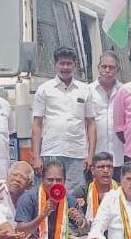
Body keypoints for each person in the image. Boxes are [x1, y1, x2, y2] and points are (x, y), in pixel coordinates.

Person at [32, 47, 94, 196]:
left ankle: (71, 220)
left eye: (69, 64)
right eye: (62, 63)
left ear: (75, 65)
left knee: (75, 195)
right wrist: (35, 156)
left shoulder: (84, 90)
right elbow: (37, 124)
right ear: (55, 65)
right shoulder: (44, 89)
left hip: (77, 154)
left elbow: (91, 124)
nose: (65, 67)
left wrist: (90, 155)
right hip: (51, 151)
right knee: (48, 194)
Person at [13, 160, 92, 239]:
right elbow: (21, 230)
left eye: (59, 180)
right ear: (42, 180)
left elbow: (85, 231)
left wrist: (80, 221)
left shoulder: (70, 200)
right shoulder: (28, 198)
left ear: (64, 181)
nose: (55, 184)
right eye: (50, 180)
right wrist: (43, 215)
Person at [88, 52, 125, 178]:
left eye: (111, 67)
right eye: (104, 67)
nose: (107, 70)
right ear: (98, 68)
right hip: (94, 157)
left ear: (117, 70)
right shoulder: (88, 91)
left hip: (120, 156)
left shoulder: (125, 91)